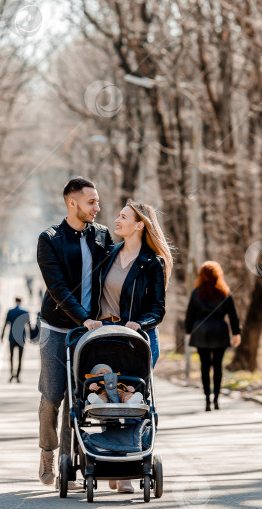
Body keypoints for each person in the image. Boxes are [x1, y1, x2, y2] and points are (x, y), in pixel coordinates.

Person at [36, 177, 114, 490]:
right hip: (56, 328)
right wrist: (84, 318)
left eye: (97, 201)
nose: (98, 207)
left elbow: (114, 277)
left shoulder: (103, 236)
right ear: (73, 203)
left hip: (91, 332)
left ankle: (69, 464)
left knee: (79, 398)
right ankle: (48, 453)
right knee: (52, 396)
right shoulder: (50, 238)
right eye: (91, 202)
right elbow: (58, 289)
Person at [94, 200, 171, 493]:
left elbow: (158, 308)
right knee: (107, 395)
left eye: (124, 217)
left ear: (139, 225)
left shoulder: (153, 262)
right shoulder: (109, 254)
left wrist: (140, 323)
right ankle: (112, 462)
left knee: (130, 398)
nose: (117, 219)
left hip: (138, 339)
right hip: (105, 337)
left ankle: (125, 467)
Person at [185, 261, 242, 412]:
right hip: (220, 332)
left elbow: (189, 314)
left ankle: (207, 400)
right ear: (218, 274)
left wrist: (188, 332)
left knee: (204, 366)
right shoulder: (224, 292)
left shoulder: (196, 293)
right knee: (217, 366)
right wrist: (236, 333)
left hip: (200, 331)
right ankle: (216, 399)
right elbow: (233, 315)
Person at [1, 297, 30, 383]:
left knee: (11, 357)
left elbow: (6, 324)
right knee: (20, 358)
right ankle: (17, 376)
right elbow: (28, 325)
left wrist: (2, 335)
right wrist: (32, 337)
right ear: (21, 302)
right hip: (21, 338)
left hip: (12, 337)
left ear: (15, 301)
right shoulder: (25, 312)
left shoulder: (10, 312)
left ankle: (11, 374)